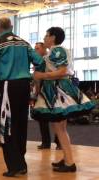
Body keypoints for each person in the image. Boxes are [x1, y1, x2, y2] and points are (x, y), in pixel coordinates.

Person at [0, 17, 45, 177]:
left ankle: (14, 166)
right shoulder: (24, 43)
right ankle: (21, 164)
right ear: (11, 26)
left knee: (6, 125)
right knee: (21, 125)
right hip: (24, 87)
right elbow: (39, 61)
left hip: (8, 86)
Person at [33, 27, 96, 172]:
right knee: (60, 128)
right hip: (58, 90)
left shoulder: (57, 50)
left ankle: (69, 162)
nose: (44, 38)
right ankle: (67, 158)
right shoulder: (57, 51)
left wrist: (41, 76)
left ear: (53, 37)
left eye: (46, 35)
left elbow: (62, 71)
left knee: (59, 128)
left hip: (58, 90)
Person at [34, 42, 61, 150]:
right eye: (34, 48)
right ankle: (46, 142)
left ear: (44, 49)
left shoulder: (48, 59)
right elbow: (37, 80)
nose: (35, 50)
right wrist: (36, 93)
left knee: (57, 116)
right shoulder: (38, 62)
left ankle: (59, 142)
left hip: (53, 89)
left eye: (37, 48)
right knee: (42, 117)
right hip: (42, 90)